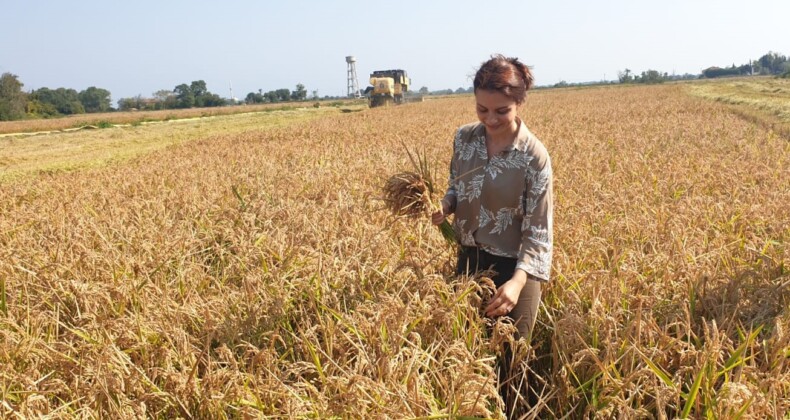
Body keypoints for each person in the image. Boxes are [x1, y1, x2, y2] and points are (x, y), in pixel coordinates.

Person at [431, 54, 553, 413]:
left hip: (516, 269)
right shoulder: (465, 138)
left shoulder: (534, 157)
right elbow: (457, 186)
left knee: (511, 366)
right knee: (467, 358)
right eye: (482, 109)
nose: (490, 119)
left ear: (519, 102)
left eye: (501, 111)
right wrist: (445, 206)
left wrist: (516, 284)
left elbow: (538, 231)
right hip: (469, 260)